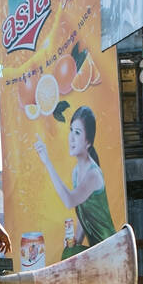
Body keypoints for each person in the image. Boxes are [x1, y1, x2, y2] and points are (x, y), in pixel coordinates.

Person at [33, 105, 117, 253]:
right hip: (96, 249)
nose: (71, 137)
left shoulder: (93, 174)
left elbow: (69, 201)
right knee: (68, 252)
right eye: (71, 130)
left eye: (77, 133)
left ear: (88, 142)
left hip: (108, 248)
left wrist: (47, 161)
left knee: (68, 256)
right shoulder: (76, 172)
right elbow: (84, 215)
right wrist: (76, 242)